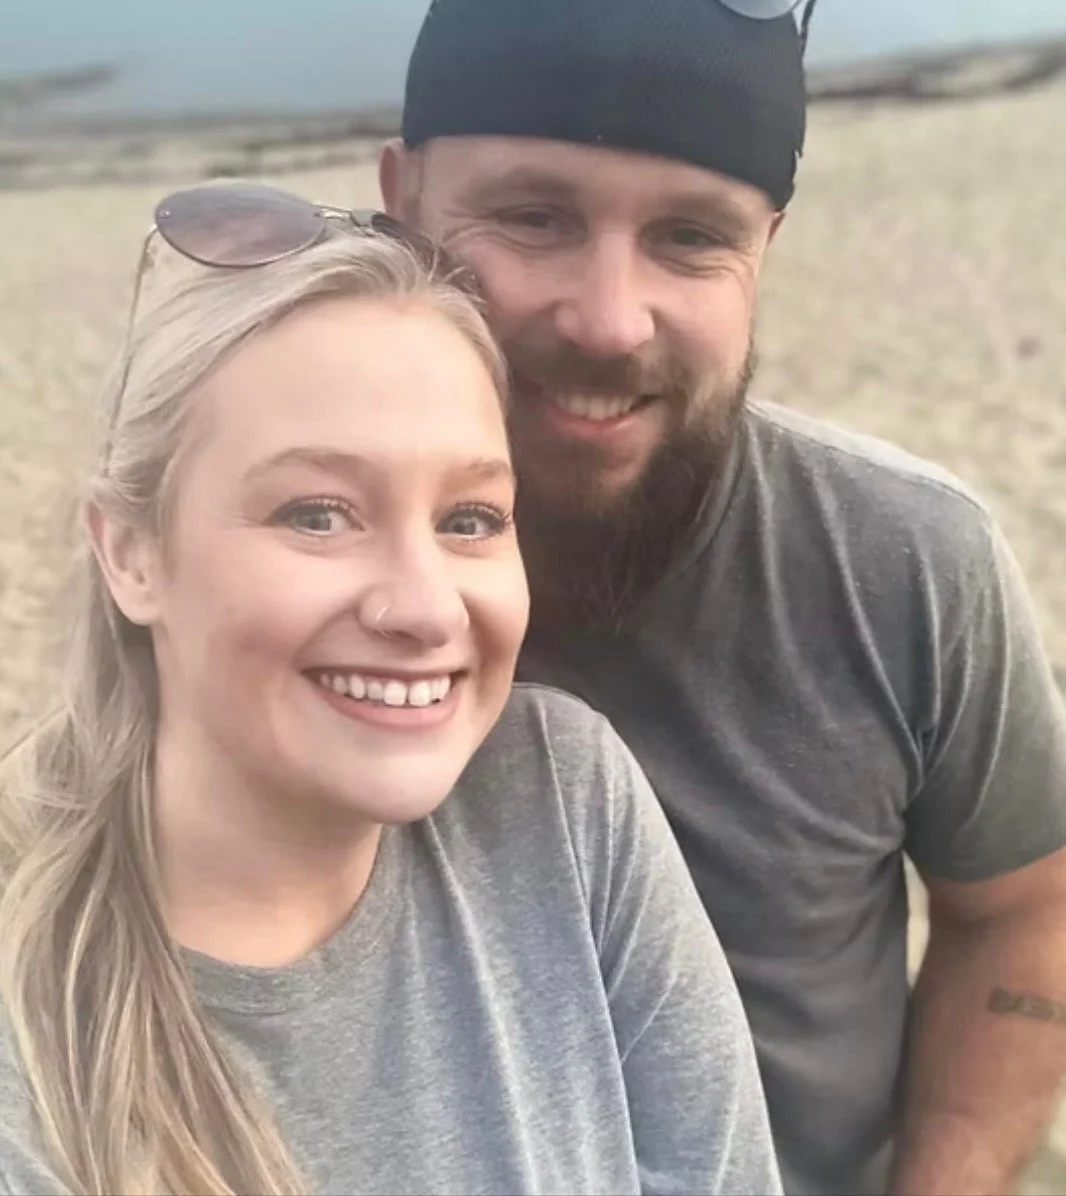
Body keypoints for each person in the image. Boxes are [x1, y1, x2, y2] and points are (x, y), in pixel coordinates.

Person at [379, 1, 1066, 1193]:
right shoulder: (258, 563)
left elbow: (1019, 910)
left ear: (767, 248)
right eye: (532, 216)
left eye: (692, 237)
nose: (607, 317)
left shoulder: (902, 562)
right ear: (402, 199)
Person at [0, 185, 782, 1196]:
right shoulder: (35, 1030)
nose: (424, 607)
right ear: (132, 552)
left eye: (469, 518)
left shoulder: (560, 798)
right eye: (317, 513)